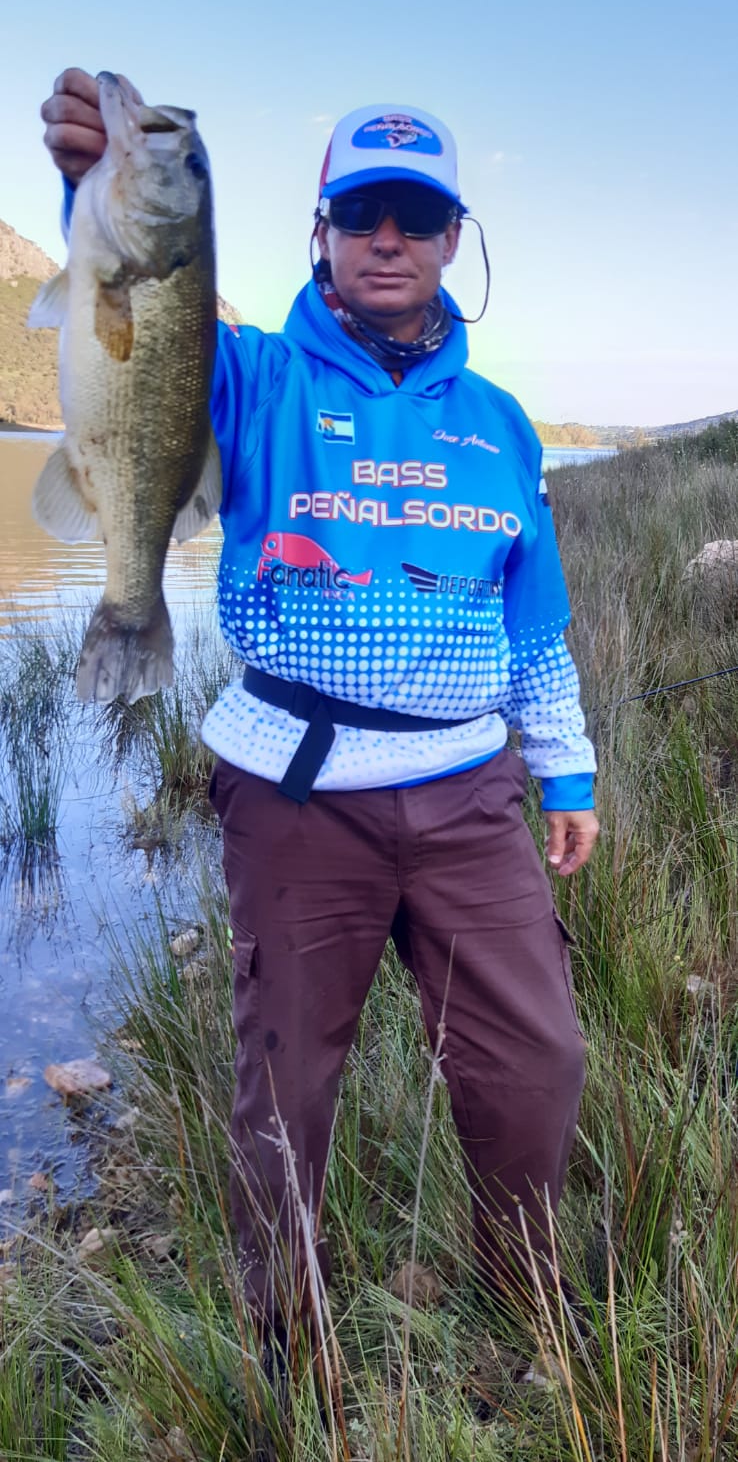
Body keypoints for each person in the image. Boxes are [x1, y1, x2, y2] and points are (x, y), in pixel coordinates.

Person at [42, 71, 599, 1339]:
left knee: (539, 1059)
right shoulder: (250, 376)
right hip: (296, 791)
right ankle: (281, 1330)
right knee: (284, 1083)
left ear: (453, 239)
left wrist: (565, 771)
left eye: (417, 215)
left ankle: (524, 1295)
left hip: (469, 793)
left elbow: (534, 620)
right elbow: (134, 324)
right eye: (360, 214)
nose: (387, 239)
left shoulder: (504, 426)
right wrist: (86, 187)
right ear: (321, 232)